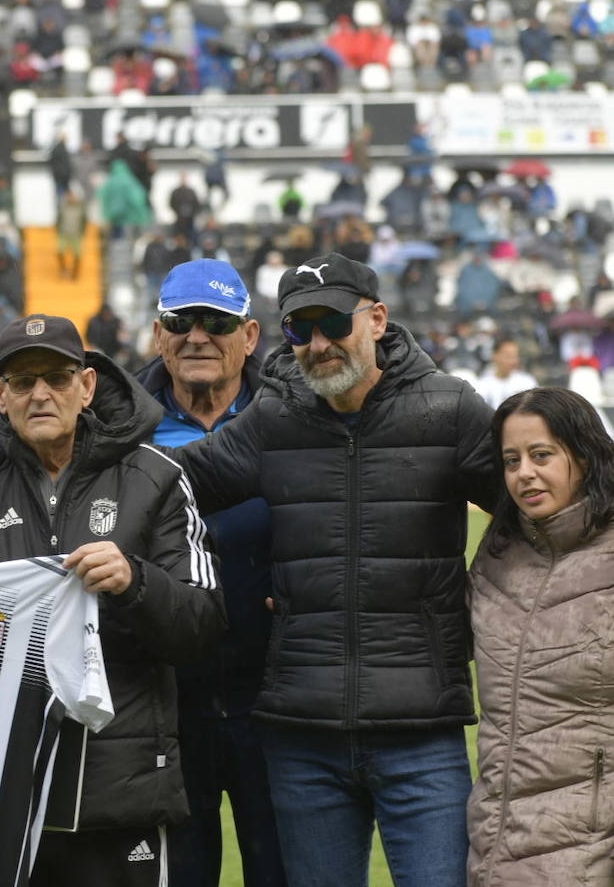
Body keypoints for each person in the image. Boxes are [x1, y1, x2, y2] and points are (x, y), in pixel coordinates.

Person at [175, 253, 499, 887]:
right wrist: (55, 453)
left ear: (376, 319)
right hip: (302, 735)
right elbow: (171, 485)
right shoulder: (272, 419)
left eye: (331, 323)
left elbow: (536, 509)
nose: (318, 344)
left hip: (423, 731)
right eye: (300, 329)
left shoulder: (451, 409)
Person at [0, 313, 225, 886]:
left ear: (86, 386)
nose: (41, 393)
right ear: (1, 393)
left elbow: (204, 624)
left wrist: (136, 581)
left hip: (119, 792)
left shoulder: (158, 477)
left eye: (58, 377)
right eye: (22, 380)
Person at [135, 262, 286, 887]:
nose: (197, 335)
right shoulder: (117, 428)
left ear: (250, 336)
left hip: (279, 702)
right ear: (158, 334)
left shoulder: (293, 416)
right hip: (162, 704)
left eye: (217, 322)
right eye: (180, 321)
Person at [468, 387, 614, 884]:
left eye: (541, 455)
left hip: (589, 852)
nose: (523, 472)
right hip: (495, 845)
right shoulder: (497, 557)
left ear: (586, 456)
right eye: (511, 460)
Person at [470, 337, 537, 410]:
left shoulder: (527, 382)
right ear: (494, 356)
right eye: (508, 356)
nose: (513, 360)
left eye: (515, 356)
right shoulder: (482, 384)